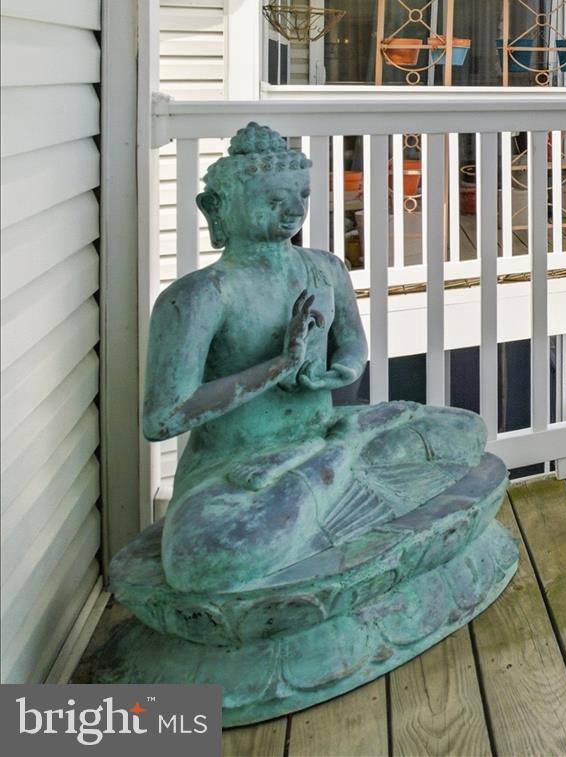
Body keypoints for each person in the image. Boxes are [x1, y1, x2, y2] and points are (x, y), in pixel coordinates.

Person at [142, 124, 485, 593]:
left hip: (321, 432)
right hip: (236, 466)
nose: (293, 210)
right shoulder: (199, 296)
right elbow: (162, 419)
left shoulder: (324, 268)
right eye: (273, 200)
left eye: (301, 195)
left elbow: (353, 344)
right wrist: (275, 368)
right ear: (216, 207)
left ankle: (332, 461)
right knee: (202, 561)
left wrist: (343, 369)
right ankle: (340, 470)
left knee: (465, 429)